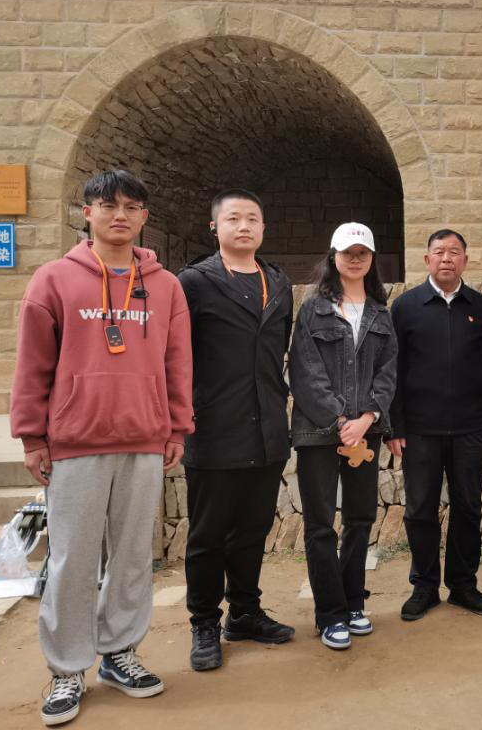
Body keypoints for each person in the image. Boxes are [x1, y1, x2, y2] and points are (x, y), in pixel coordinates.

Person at [10, 170, 193, 726]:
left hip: (143, 438)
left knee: (134, 557)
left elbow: (177, 363)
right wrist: (32, 436)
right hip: (76, 442)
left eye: (132, 207)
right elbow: (32, 364)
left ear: (144, 217)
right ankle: (67, 668)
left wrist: (176, 428)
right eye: (108, 205)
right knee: (73, 559)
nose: (120, 215)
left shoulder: (165, 286)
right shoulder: (53, 279)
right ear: (86, 212)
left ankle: (119, 653)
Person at [178, 189, 295, 672]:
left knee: (252, 529)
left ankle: (245, 612)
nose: (243, 226)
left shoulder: (278, 282)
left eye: (252, 218)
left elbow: (279, 348)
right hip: (214, 428)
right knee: (208, 535)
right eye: (233, 219)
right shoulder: (193, 282)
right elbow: (176, 355)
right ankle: (204, 622)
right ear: (215, 227)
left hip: (266, 428)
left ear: (264, 227)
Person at [388, 229, 482, 621]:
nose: (446, 258)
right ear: (426, 260)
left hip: (470, 428)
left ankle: (462, 585)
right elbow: (393, 371)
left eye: (454, 252)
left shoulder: (480, 307)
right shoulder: (405, 307)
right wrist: (395, 426)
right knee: (419, 509)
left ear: (465, 261)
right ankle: (424, 586)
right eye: (439, 252)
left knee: (467, 507)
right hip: (419, 431)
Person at [290, 223, 397, 651]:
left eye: (362, 253)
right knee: (320, 525)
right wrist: (339, 420)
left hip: (365, 433)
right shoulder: (313, 309)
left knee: (360, 518)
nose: (355, 259)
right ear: (333, 257)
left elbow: (389, 372)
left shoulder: (381, 313)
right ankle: (329, 613)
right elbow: (305, 370)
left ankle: (354, 603)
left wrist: (367, 417)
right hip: (319, 433)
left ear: (371, 260)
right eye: (347, 252)